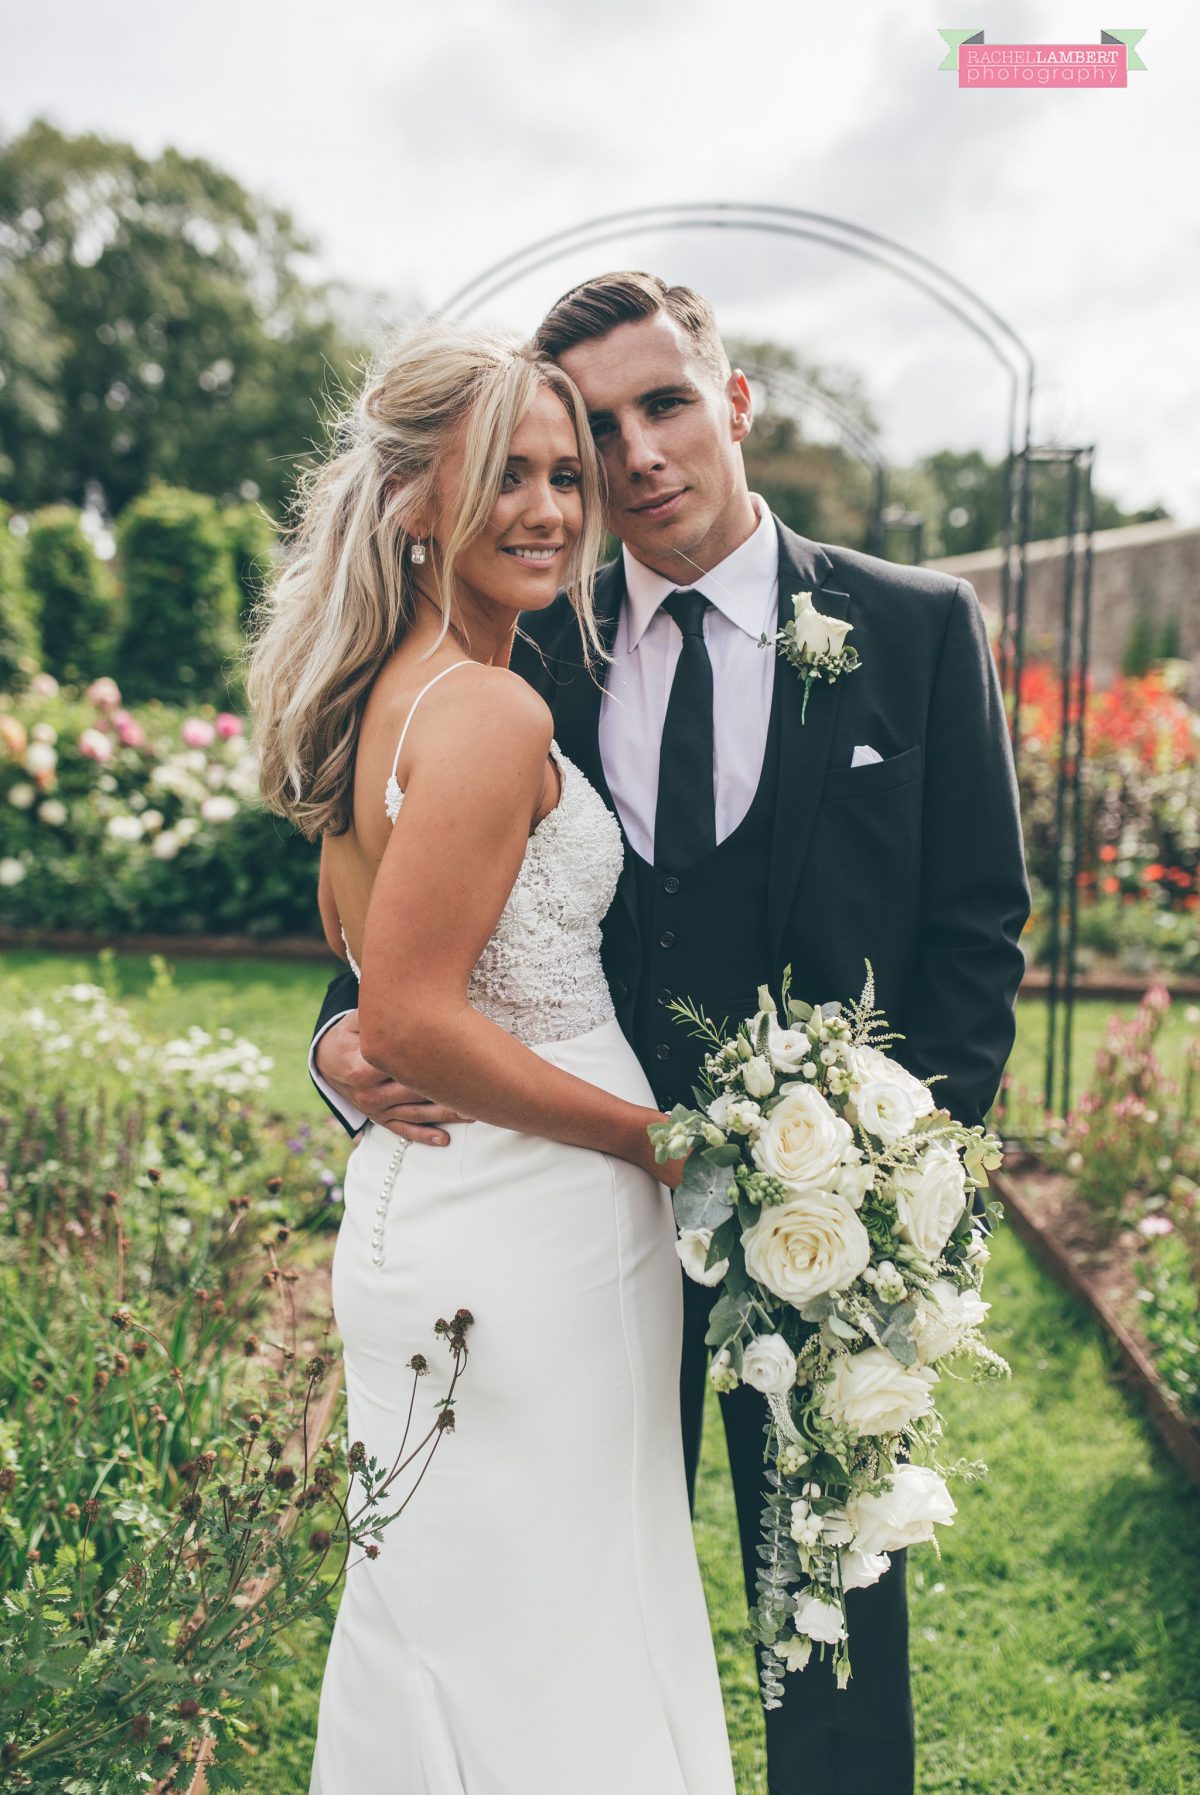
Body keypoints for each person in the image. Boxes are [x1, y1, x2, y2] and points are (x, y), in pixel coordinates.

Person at [311, 274, 1031, 1795]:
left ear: (734, 403)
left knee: (829, 1598)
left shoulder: (910, 630)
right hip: (580, 1211)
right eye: (587, 435)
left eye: (662, 407)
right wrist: (341, 1044)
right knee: (578, 1567)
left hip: (812, 1223)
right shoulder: (526, 641)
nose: (628, 460)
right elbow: (416, 889)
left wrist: (899, 1186)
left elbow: (975, 930)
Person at [249, 319, 737, 1795]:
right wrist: (651, 1143)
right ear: (412, 505)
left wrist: (353, 1041)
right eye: (501, 480)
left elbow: (378, 986)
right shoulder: (488, 705)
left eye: (559, 476)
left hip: (444, 1210)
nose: (546, 509)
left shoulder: (381, 694)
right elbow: (407, 1020)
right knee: (547, 1621)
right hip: (530, 1231)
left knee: (472, 1607)